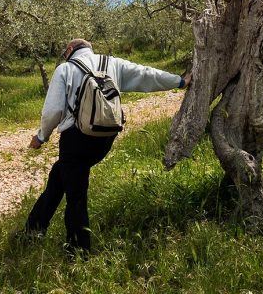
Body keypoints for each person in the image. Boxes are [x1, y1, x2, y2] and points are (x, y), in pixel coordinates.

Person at [22, 38, 191, 254]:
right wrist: (179, 81)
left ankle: (78, 251)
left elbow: (52, 111)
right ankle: (33, 229)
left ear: (70, 50)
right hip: (105, 138)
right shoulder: (113, 64)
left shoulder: (66, 69)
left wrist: (41, 137)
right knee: (59, 175)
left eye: (66, 52)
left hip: (76, 138)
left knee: (76, 195)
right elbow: (147, 74)